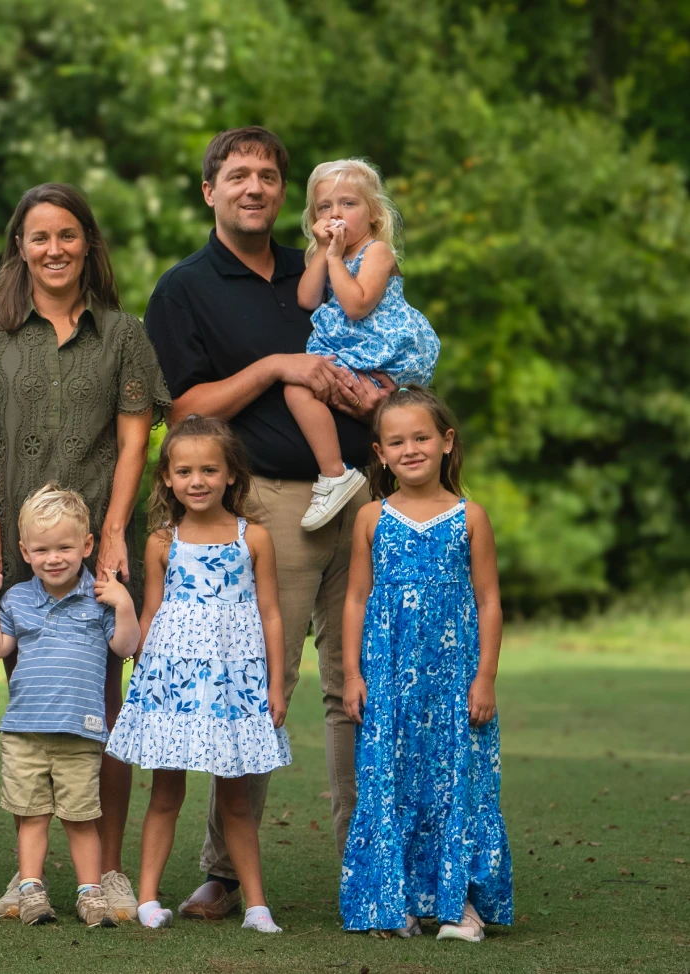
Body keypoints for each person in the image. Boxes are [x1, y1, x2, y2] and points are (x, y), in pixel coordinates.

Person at [144, 126, 391, 920]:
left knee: (359, 687)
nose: (255, 187)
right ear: (209, 190)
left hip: (363, 496)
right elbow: (180, 411)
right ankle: (222, 871)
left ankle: (369, 864)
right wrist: (274, 368)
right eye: (238, 175)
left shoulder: (323, 266)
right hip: (269, 508)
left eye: (269, 176)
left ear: (284, 193)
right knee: (256, 684)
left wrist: (380, 395)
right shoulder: (185, 288)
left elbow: (385, 345)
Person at [0, 183, 169, 922]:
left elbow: (137, 438)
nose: (54, 249)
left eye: (67, 235)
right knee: (36, 706)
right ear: (20, 246)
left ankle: (103, 873)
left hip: (100, 545)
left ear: (88, 243)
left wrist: (111, 531)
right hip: (18, 545)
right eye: (39, 237)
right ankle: (30, 875)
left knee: (99, 709)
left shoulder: (123, 334)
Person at [339, 387, 512, 941]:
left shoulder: (470, 516)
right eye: (397, 441)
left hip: (454, 680)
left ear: (446, 442)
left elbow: (487, 600)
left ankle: (459, 905)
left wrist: (484, 677)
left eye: (421, 437)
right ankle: (395, 902)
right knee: (392, 781)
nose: (410, 448)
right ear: (381, 452)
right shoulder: (370, 517)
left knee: (455, 779)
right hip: (389, 680)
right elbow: (356, 599)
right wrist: (352, 672)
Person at [105, 417, 290, 933]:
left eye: (210, 469)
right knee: (166, 792)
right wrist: (141, 684)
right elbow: (151, 614)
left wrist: (274, 685)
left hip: (234, 686)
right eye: (184, 470)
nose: (198, 480)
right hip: (172, 688)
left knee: (234, 797)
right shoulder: (163, 542)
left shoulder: (253, 539)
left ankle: (255, 906)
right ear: (166, 477)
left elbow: (271, 613)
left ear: (231, 473)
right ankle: (147, 900)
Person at [0, 484, 141, 928]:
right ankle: (31, 888)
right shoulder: (18, 599)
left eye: (65, 547)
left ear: (87, 545)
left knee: (82, 817)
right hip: (26, 732)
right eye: (42, 549)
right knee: (32, 817)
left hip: (81, 732)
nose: (54, 558)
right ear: (26, 552)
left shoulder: (100, 596)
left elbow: (125, 647)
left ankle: (90, 892)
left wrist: (124, 605)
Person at [287, 159, 440, 531]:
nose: (335, 214)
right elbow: (307, 298)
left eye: (348, 204)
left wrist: (336, 258)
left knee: (391, 419)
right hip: (349, 351)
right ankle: (334, 473)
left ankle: (415, 495)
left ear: (373, 214)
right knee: (298, 388)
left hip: (381, 352)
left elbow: (356, 306)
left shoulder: (377, 253)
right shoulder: (328, 255)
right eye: (325, 207)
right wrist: (325, 252)